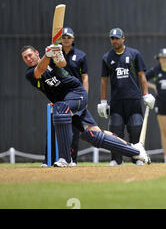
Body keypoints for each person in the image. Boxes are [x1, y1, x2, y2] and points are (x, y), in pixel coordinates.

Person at [21, 45, 150, 167]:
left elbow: (62, 64)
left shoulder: (49, 60)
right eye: (25, 57)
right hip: (66, 103)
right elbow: (39, 71)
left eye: (30, 55)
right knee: (93, 134)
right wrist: (48, 54)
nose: (28, 59)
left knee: (60, 108)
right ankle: (135, 150)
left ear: (36, 53)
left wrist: (56, 55)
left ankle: (65, 159)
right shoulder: (30, 73)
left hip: (76, 92)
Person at [98, 28, 155, 166]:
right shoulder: (107, 58)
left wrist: (146, 94)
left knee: (135, 128)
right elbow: (104, 80)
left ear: (123, 38)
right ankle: (116, 160)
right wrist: (103, 101)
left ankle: (137, 158)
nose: (115, 41)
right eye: (112, 38)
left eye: (117, 38)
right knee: (115, 129)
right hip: (117, 101)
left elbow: (142, 75)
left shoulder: (134, 54)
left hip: (133, 99)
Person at [60, 27, 88, 165]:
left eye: (68, 37)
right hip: (59, 94)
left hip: (76, 96)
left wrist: (85, 97)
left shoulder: (81, 55)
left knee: (75, 128)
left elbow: (85, 78)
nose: (66, 39)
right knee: (57, 126)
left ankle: (73, 159)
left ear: (73, 39)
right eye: (63, 37)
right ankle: (57, 158)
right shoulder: (54, 54)